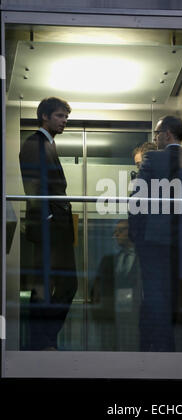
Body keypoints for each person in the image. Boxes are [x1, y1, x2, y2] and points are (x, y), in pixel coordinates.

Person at [129, 115, 182, 352]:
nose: (155, 138)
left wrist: (136, 237)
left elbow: (136, 202)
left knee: (153, 294)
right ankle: (168, 346)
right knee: (173, 295)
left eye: (157, 134)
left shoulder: (153, 158)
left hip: (153, 241)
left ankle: (156, 348)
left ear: (167, 134)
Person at [19, 97, 78, 350]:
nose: (64, 121)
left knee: (58, 285)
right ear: (44, 116)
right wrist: (48, 218)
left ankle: (44, 340)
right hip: (49, 227)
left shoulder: (48, 144)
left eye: (66, 117)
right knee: (53, 285)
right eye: (60, 116)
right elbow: (33, 183)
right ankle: (42, 341)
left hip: (57, 227)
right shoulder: (35, 143)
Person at [91, 220, 142, 351]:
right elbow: (97, 290)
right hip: (110, 316)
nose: (116, 234)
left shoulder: (144, 260)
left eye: (121, 230)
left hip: (134, 317)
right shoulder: (108, 260)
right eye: (116, 231)